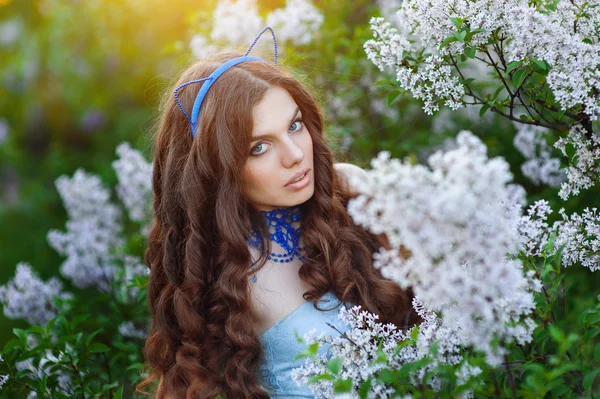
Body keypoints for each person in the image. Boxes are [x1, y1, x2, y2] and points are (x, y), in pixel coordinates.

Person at [137, 27, 417, 399]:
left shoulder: (351, 193)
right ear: (217, 171)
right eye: (259, 147)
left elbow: (434, 304)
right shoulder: (221, 275)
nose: (295, 155)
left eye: (294, 125)